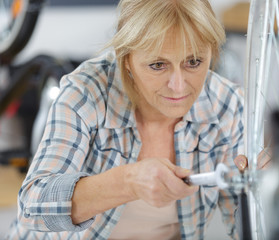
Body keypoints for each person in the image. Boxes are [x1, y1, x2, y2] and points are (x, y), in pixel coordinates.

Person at [7, 0, 251, 239]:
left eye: (194, 62)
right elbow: (32, 207)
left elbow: (243, 224)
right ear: (127, 60)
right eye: (157, 65)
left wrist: (268, 191)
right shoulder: (87, 92)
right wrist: (129, 182)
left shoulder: (227, 105)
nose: (178, 86)